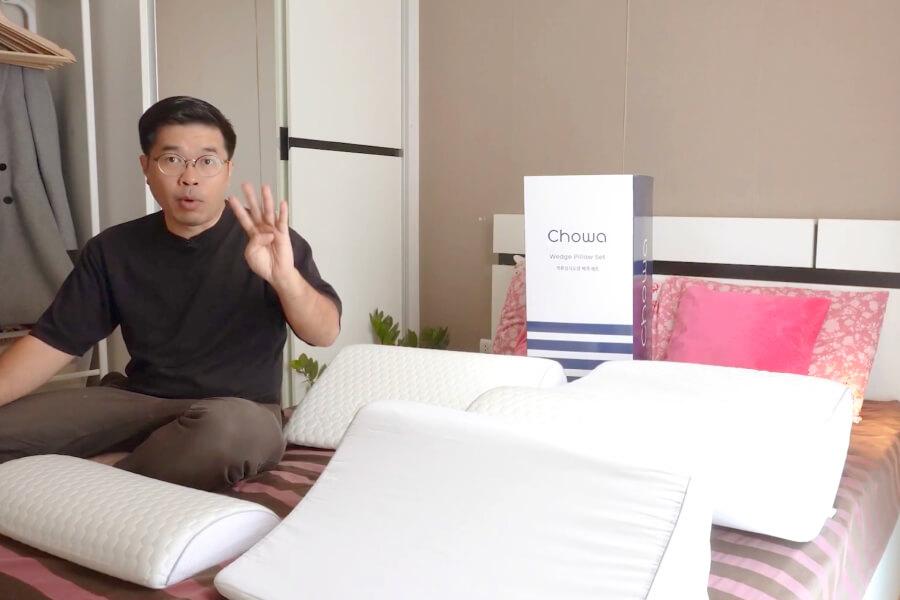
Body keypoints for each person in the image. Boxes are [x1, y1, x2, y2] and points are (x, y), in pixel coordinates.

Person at [0, 96, 341, 490]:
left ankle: (109, 473)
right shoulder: (113, 249)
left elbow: (324, 332)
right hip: (136, 403)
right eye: (172, 160)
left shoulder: (270, 243)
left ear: (227, 170)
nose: (190, 177)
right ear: (146, 167)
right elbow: (50, 343)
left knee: (232, 434)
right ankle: (144, 460)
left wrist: (284, 278)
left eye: (207, 161)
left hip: (235, 412)